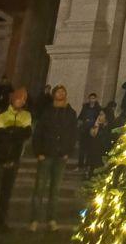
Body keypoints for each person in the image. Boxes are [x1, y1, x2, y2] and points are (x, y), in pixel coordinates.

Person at [0, 88, 31, 232]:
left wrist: (10, 131)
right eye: (19, 98)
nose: (21, 101)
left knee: (6, 193)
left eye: (23, 99)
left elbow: (26, 133)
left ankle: (0, 222)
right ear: (13, 99)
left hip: (14, 158)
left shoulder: (26, 115)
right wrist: (16, 132)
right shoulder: (2, 115)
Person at [30, 84, 77, 231]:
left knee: (54, 190)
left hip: (60, 155)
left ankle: (52, 219)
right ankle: (34, 219)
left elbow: (73, 133)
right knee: (39, 188)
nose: (60, 94)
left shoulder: (70, 113)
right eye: (58, 92)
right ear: (54, 94)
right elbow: (38, 133)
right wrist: (39, 152)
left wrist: (68, 151)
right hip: (46, 154)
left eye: (63, 92)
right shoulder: (47, 112)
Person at [77, 92, 102, 170]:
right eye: (90, 98)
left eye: (93, 98)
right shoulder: (85, 107)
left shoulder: (98, 108)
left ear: (96, 99)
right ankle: (80, 165)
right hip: (84, 129)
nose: (92, 100)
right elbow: (81, 116)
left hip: (92, 130)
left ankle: (87, 165)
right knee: (82, 148)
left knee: (89, 148)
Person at [85, 110, 112, 177]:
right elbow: (93, 134)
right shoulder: (97, 126)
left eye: (101, 115)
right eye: (99, 115)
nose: (99, 117)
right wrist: (96, 125)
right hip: (93, 154)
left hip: (102, 155)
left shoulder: (109, 128)